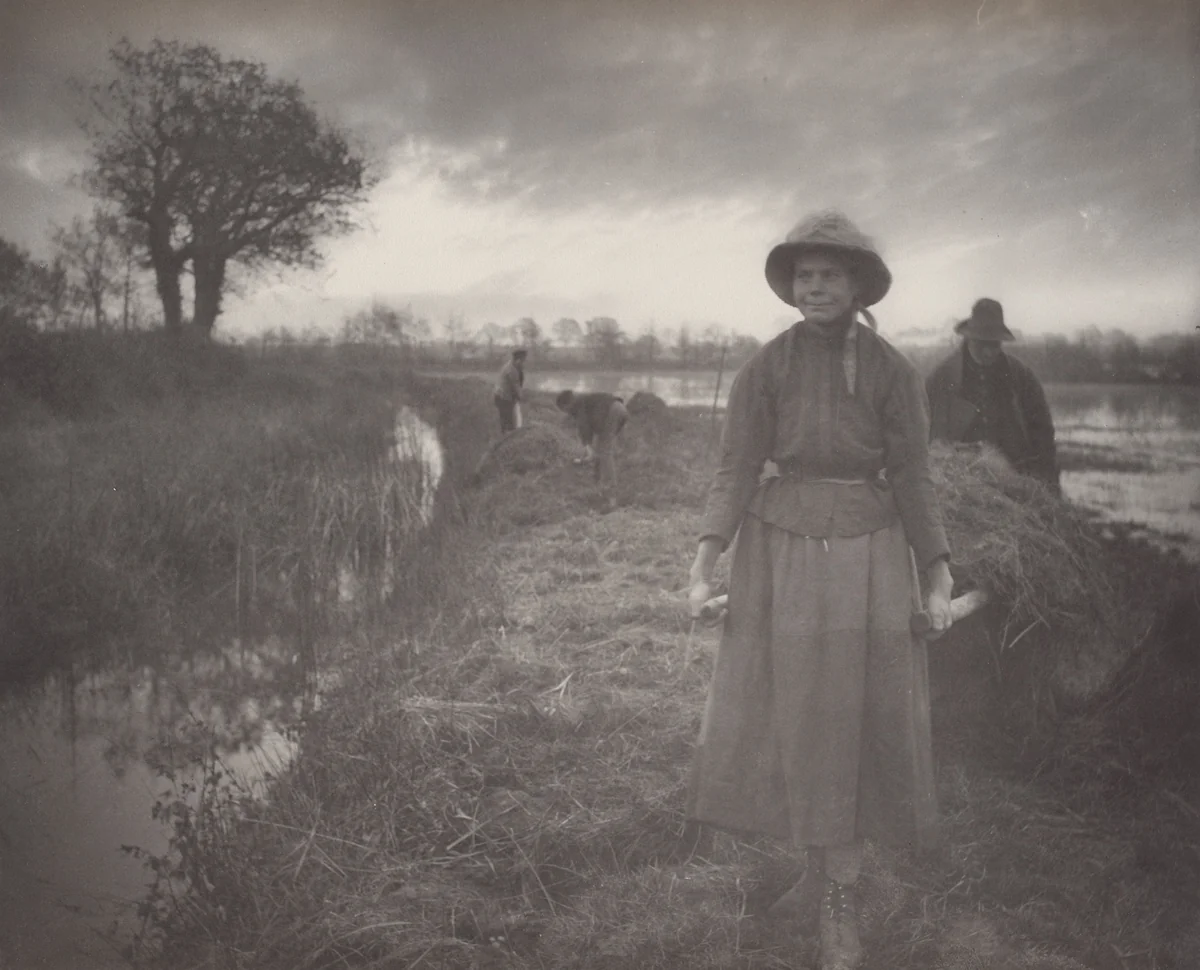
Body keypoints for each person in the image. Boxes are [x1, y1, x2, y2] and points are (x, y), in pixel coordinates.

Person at [685, 210, 954, 970]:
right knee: (795, 707)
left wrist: (936, 574)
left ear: (859, 285)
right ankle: (813, 871)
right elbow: (736, 466)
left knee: (855, 711)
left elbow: (913, 476)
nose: (816, 288)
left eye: (831, 276)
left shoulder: (895, 373)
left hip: (869, 555)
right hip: (778, 555)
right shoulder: (764, 368)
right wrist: (705, 559)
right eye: (805, 276)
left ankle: (843, 894)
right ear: (790, 286)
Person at [925, 298, 1060, 493]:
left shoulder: (1021, 376)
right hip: (960, 484)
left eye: (995, 344)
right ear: (968, 338)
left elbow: (1043, 433)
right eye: (982, 344)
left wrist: (1049, 485)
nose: (989, 352)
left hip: (1014, 478)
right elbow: (922, 434)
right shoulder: (942, 378)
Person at [555, 389, 628, 485]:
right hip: (620, 408)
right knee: (601, 448)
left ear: (566, 404)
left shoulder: (578, 405)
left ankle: (611, 485)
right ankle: (598, 479)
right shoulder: (584, 400)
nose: (566, 412)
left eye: (564, 409)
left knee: (605, 451)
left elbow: (583, 426)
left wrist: (587, 446)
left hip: (612, 411)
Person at [493, 348, 527, 434]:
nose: (523, 363)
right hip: (503, 398)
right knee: (509, 422)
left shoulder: (513, 366)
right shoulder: (511, 370)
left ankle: (507, 435)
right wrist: (522, 398)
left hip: (505, 396)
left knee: (508, 420)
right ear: (517, 360)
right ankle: (508, 438)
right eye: (522, 361)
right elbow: (516, 387)